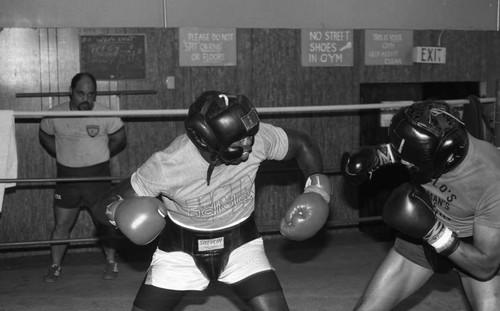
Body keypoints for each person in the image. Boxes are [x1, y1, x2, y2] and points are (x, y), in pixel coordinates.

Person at [92, 90, 331, 311]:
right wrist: (117, 211)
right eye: (239, 140)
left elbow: (302, 144)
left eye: (249, 136)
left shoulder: (256, 139)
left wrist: (318, 189)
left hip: (241, 245)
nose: (249, 142)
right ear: (208, 139)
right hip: (180, 253)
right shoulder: (167, 165)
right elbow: (101, 203)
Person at [341, 100, 500, 310]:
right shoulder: (437, 136)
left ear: (443, 157)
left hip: (472, 246)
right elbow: (408, 151)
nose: (404, 163)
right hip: (423, 225)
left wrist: (435, 234)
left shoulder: (492, 182)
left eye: (410, 160)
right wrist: (377, 156)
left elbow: (485, 267)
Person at [39, 72, 127, 282]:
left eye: (90, 94)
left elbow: (119, 140)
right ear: (71, 92)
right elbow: (44, 135)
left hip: (98, 177)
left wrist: (100, 155)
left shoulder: (106, 114)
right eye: (80, 94)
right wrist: (60, 153)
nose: (86, 99)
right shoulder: (55, 115)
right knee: (61, 225)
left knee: (107, 222)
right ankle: (55, 266)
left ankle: (110, 263)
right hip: (68, 177)